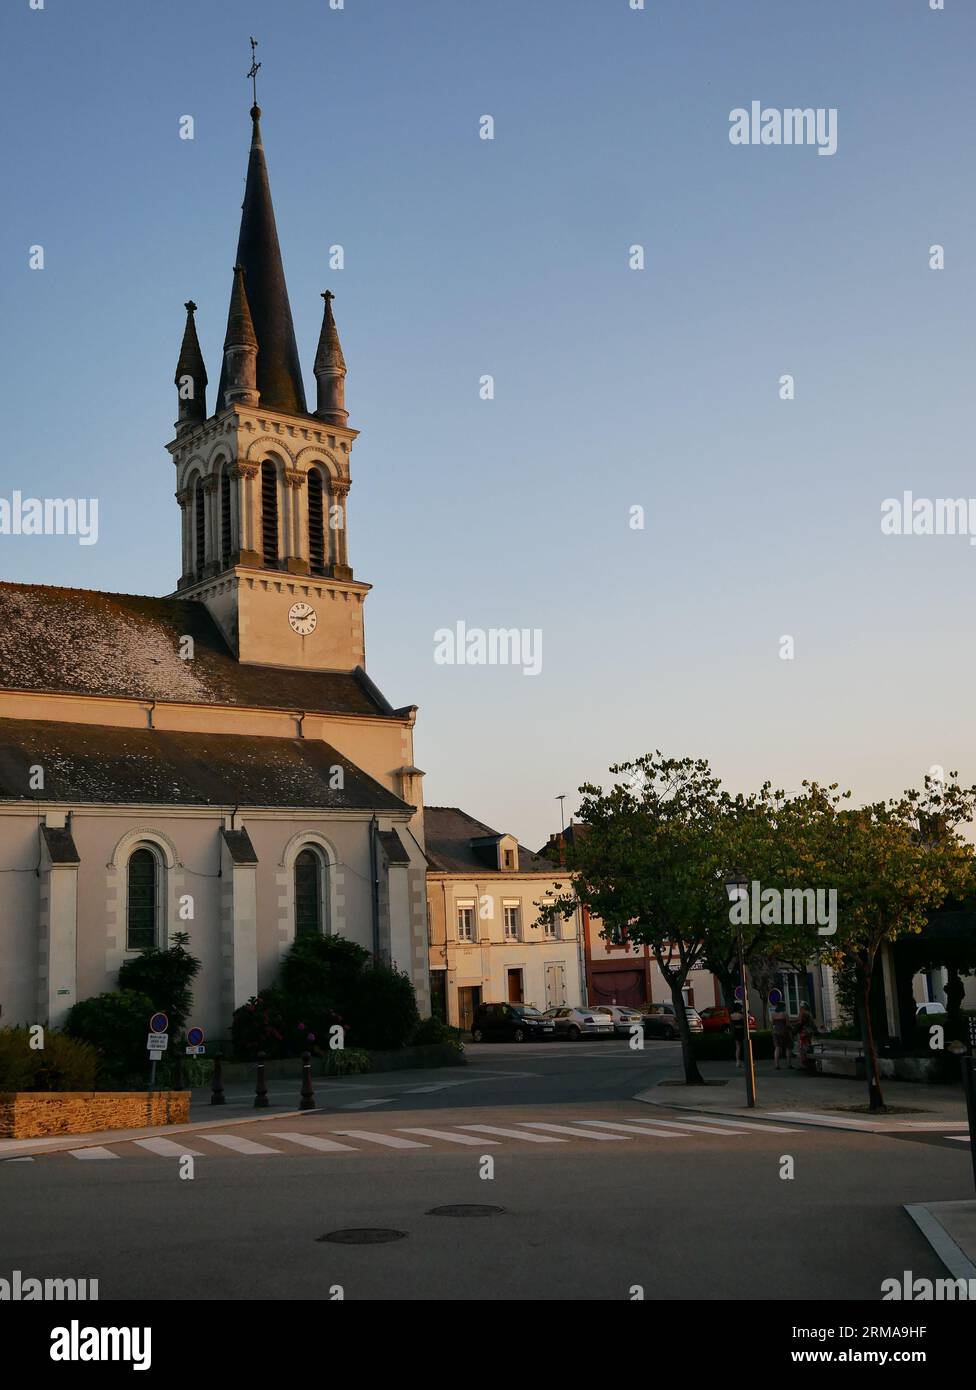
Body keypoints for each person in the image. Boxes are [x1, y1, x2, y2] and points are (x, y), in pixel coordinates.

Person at [795, 1002, 823, 1071]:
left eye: (801, 1007)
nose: (800, 1009)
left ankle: (805, 1064)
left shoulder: (803, 1013)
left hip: (804, 1033)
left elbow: (800, 1023)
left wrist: (794, 1031)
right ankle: (810, 1062)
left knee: (803, 1048)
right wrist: (816, 1031)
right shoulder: (809, 1014)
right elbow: (813, 1024)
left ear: (803, 1008)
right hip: (809, 1033)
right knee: (808, 1046)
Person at [771, 1001, 793, 1069]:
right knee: (788, 1047)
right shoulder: (785, 1014)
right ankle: (789, 1064)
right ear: (783, 1007)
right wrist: (792, 1028)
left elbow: (772, 1024)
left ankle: (777, 1064)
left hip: (775, 1032)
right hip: (784, 1032)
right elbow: (788, 1024)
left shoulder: (773, 1014)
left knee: (777, 1047)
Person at [729, 999, 746, 1067]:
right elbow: (744, 1023)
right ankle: (741, 1061)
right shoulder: (741, 1015)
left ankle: (737, 1061)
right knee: (742, 1047)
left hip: (735, 1032)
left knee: (737, 1047)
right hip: (741, 1031)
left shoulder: (732, 1015)